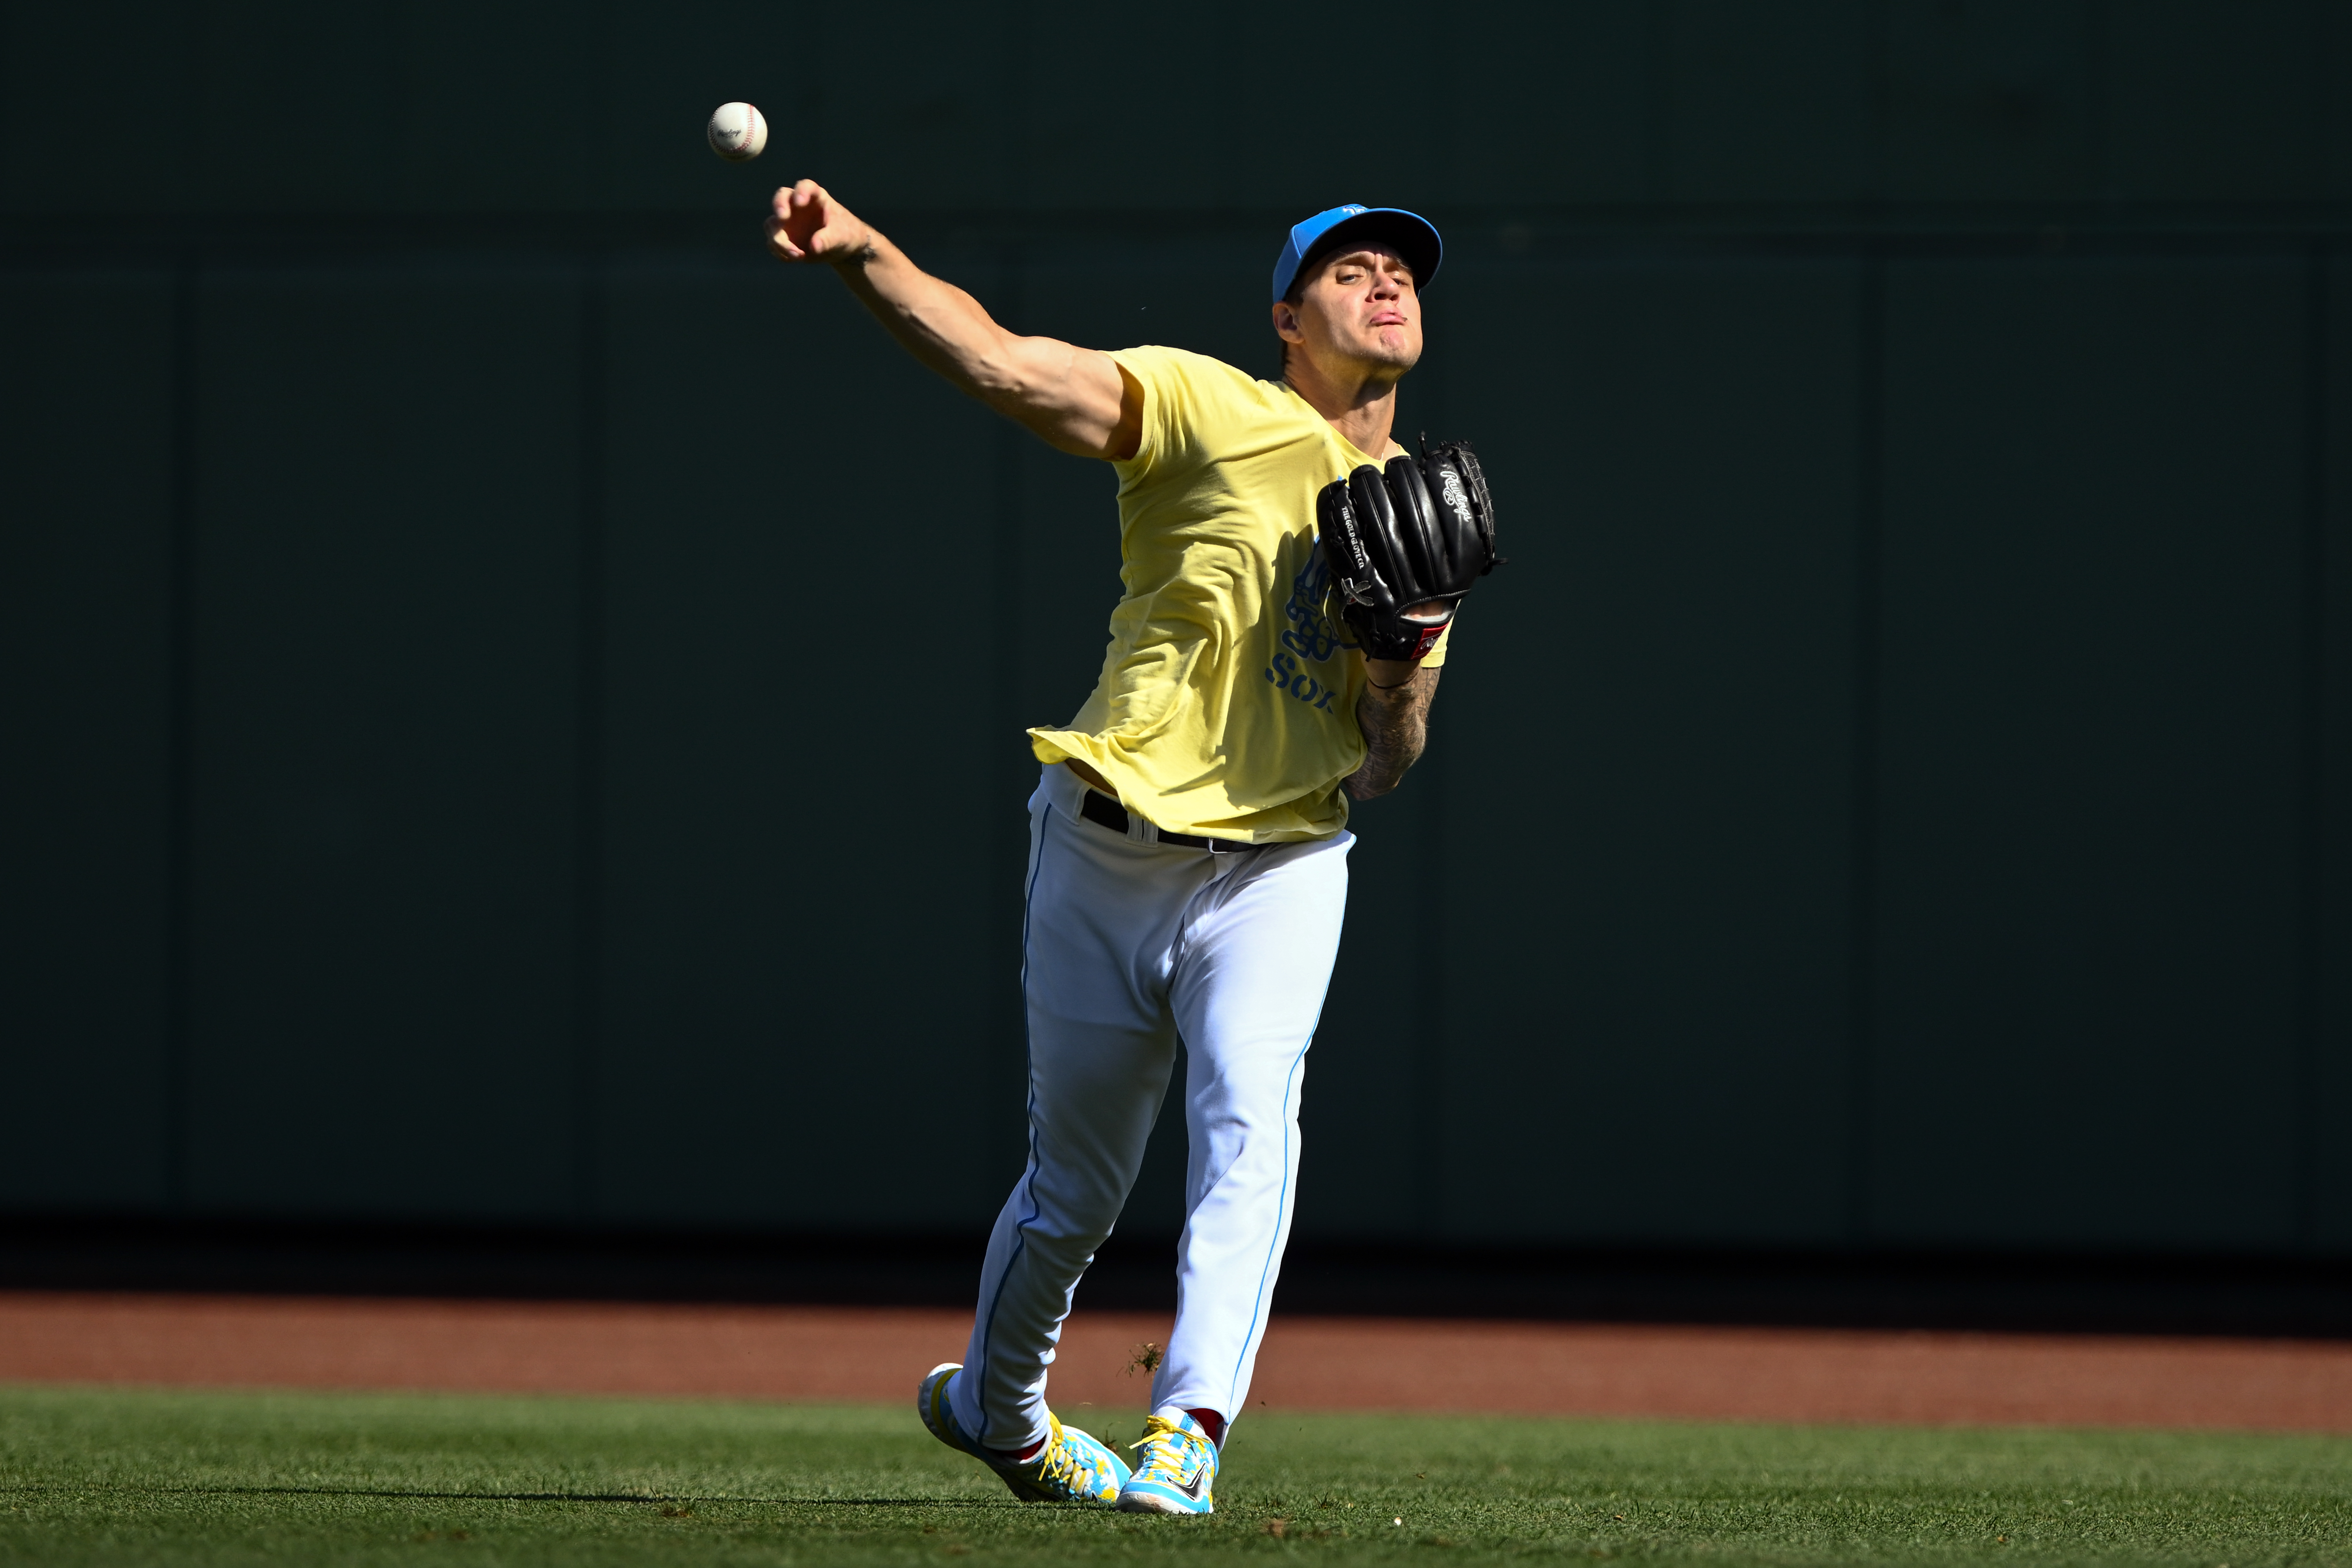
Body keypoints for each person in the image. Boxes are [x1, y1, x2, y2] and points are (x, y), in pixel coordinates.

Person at [766, 188, 1454, 1515]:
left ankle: (1185, 1429)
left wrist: (1404, 662)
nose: (1384, 282)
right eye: (1348, 268)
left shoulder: (1423, 510)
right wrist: (866, 256)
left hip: (1285, 862)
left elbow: (1386, 763)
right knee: (1074, 1191)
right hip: (1107, 849)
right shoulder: (1213, 407)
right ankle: (1000, 1412)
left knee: (1252, 1126)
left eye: (1402, 270)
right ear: (1286, 319)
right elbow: (1009, 365)